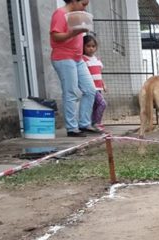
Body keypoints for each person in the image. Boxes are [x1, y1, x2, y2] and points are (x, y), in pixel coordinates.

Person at [50, 0, 100, 137]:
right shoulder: (60, 14)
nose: (85, 7)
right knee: (71, 92)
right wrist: (73, 33)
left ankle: (84, 123)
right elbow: (55, 36)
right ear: (73, 1)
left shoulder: (76, 15)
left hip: (77, 58)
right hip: (64, 57)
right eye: (83, 3)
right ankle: (72, 128)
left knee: (90, 90)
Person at [83, 34, 107, 132]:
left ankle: (93, 123)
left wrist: (103, 84)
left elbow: (99, 74)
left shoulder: (97, 60)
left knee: (96, 106)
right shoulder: (83, 59)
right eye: (88, 46)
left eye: (93, 46)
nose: (91, 49)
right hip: (91, 88)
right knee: (102, 103)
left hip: (99, 88)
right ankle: (96, 123)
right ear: (83, 47)